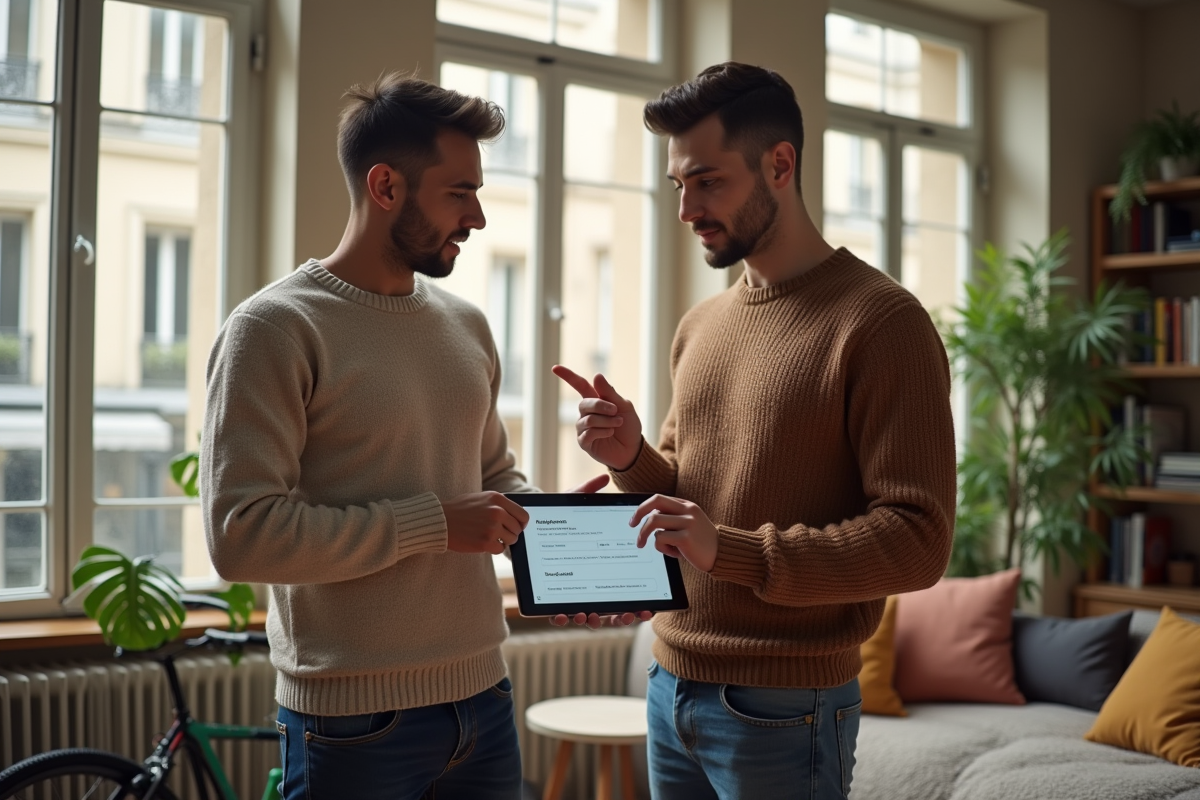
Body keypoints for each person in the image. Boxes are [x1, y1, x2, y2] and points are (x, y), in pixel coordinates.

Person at [554, 62, 957, 800]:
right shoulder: (701, 325)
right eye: (679, 185)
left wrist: (731, 550)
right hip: (670, 684)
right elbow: (687, 491)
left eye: (708, 181)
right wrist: (632, 458)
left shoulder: (881, 323)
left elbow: (917, 540)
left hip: (786, 708)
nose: (687, 208)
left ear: (780, 164)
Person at [201, 73, 606, 800]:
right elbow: (241, 535)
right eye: (459, 193)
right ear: (386, 185)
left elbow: (492, 477)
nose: (478, 217)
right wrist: (434, 525)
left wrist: (554, 533)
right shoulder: (273, 329)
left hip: (483, 698)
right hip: (351, 723)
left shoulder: (467, 325)